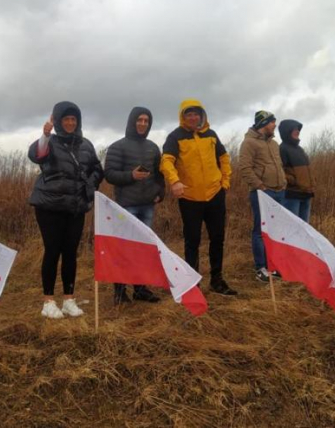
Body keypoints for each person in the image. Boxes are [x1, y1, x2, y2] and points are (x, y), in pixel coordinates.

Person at [28, 101, 104, 318]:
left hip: (76, 207)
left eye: (74, 119)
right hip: (49, 207)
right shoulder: (49, 142)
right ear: (59, 121)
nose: (70, 123)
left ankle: (69, 299)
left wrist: (90, 185)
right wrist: (45, 134)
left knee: (71, 253)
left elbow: (97, 170)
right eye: (66, 119)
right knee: (53, 251)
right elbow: (36, 156)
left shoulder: (86, 145)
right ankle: (48, 301)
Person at [160, 99, 236, 295]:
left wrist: (224, 182)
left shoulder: (211, 135)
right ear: (182, 116)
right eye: (189, 114)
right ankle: (193, 284)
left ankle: (217, 280)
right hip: (190, 198)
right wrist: (175, 181)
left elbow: (224, 158)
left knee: (217, 238)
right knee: (192, 241)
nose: (193, 118)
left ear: (202, 115)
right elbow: (167, 161)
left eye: (196, 114)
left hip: (215, 195)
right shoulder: (175, 137)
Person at [104, 106, 164, 305]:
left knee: (143, 250)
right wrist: (131, 175)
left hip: (147, 206)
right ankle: (119, 292)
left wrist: (160, 193)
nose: (143, 124)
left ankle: (140, 289)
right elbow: (110, 174)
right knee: (123, 250)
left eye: (146, 121)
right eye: (139, 120)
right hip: (126, 207)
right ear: (132, 121)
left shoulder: (153, 148)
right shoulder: (117, 147)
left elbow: (159, 174)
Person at [238, 110, 287, 283]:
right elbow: (244, 168)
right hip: (262, 192)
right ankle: (261, 268)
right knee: (260, 231)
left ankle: (273, 265)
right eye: (272, 122)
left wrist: (283, 183)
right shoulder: (249, 143)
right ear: (263, 124)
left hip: (279, 191)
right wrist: (260, 186)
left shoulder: (274, 144)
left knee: (274, 231)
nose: (275, 125)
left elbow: (279, 165)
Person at [279, 119, 315, 223]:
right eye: (294, 129)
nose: (297, 132)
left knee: (304, 228)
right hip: (292, 195)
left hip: (306, 194)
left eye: (298, 130)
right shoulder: (282, 149)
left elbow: (306, 170)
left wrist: (312, 183)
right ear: (286, 131)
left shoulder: (300, 149)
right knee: (292, 227)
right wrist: (294, 181)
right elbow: (280, 171)